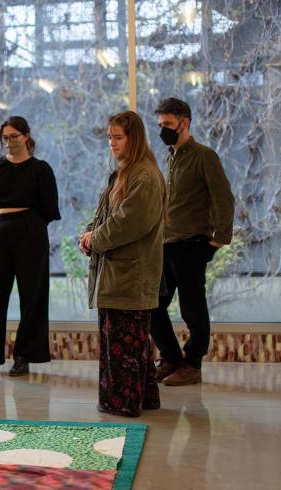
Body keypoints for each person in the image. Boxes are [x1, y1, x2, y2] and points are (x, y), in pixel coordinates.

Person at [80, 111, 165, 417]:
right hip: (119, 272)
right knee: (132, 344)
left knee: (125, 346)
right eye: (109, 138)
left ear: (135, 138)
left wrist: (96, 238)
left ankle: (123, 402)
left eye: (118, 138)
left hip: (130, 275)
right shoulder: (126, 172)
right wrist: (89, 234)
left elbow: (128, 223)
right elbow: (107, 214)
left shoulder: (144, 176)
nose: (112, 144)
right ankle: (142, 398)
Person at [149, 97, 235, 386]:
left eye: (168, 125)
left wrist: (218, 240)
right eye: (160, 125)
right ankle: (172, 359)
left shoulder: (204, 156)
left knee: (192, 308)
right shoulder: (169, 158)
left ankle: (193, 365)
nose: (163, 130)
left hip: (192, 245)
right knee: (153, 305)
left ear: (184, 123)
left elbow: (224, 198)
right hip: (165, 244)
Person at [0, 116, 61, 376]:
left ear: (25, 136)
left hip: (30, 233)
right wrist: (0, 225)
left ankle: (24, 355)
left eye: (14, 136)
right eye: (5, 137)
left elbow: (48, 209)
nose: (9, 142)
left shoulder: (41, 169)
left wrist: (27, 225)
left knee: (32, 296)